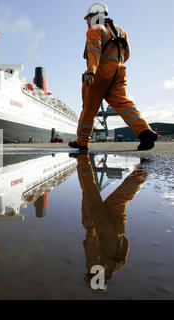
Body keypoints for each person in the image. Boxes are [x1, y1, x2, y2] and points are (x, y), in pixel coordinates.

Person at [69, 2, 157, 152]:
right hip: (120, 71)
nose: (87, 21)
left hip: (100, 72)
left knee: (89, 108)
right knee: (124, 104)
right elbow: (127, 54)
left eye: (87, 18)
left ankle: (82, 142)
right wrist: (117, 64)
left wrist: (91, 71)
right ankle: (145, 132)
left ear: (93, 16)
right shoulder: (120, 31)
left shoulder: (94, 29)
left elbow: (93, 51)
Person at [74, 153, 148, 292]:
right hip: (99, 227)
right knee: (88, 188)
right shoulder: (94, 270)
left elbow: (125, 245)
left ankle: (143, 172)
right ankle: (82, 157)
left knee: (120, 198)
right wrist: (91, 230)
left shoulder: (116, 268)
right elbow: (93, 249)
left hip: (118, 230)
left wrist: (116, 235)